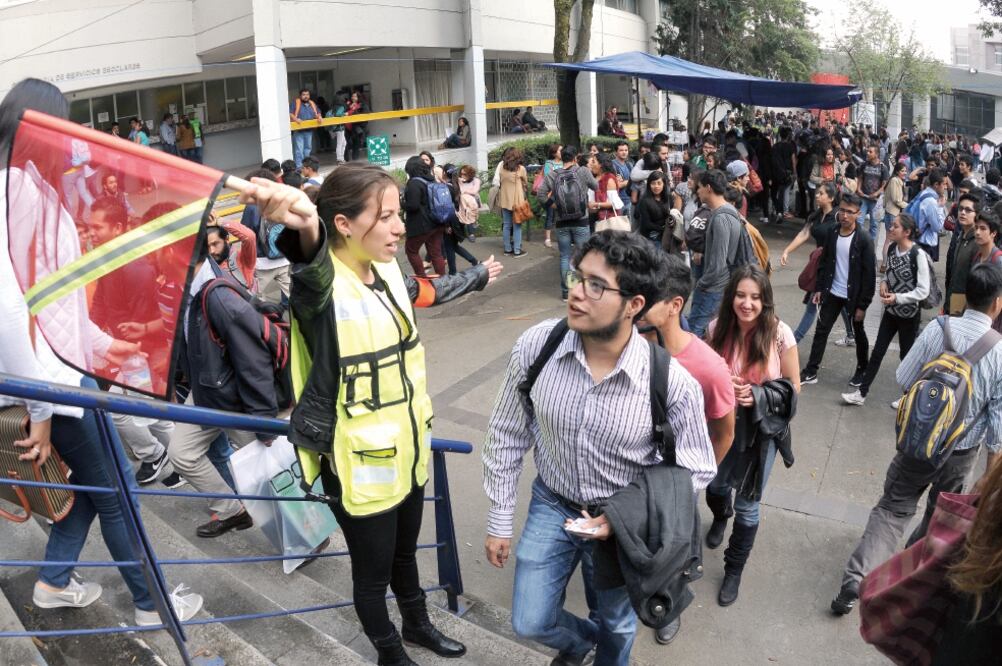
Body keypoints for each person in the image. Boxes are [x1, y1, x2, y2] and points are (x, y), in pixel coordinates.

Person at [245, 164, 501, 665]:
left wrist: (475, 278)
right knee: (372, 573)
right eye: (384, 217)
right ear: (343, 224)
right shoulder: (319, 290)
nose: (400, 227)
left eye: (399, 214)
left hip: (407, 452)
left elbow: (423, 292)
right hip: (357, 466)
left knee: (406, 556)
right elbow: (311, 262)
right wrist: (304, 226)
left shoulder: (384, 269)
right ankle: (388, 650)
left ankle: (417, 625)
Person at [0, 77, 202, 627]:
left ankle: (53, 582)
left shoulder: (28, 187)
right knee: (117, 494)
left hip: (61, 374)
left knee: (94, 492)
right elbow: (12, 312)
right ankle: (151, 606)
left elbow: (50, 300)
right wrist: (40, 409)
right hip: (52, 384)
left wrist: (105, 343)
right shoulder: (16, 190)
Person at [483, 232, 716, 666]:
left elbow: (697, 467)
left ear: (634, 305)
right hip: (553, 503)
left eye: (596, 286)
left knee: (619, 621)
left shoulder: (669, 382)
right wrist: (499, 519)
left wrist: (626, 516)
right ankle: (582, 646)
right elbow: (507, 432)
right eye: (578, 277)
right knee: (530, 621)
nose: (576, 293)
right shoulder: (538, 346)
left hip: (622, 525)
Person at [832, 263, 1002, 616]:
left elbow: (903, 376)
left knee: (893, 508)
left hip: (917, 442)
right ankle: (902, 582)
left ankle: (856, 581)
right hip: (961, 453)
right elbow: (997, 431)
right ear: (997, 304)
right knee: (938, 518)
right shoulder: (1000, 352)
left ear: (965, 296)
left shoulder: (939, 329)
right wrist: (986, 480)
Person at [704, 265, 800, 605]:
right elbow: (701, 377)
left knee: (748, 505)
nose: (747, 304)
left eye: (755, 297)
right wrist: (720, 384)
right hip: (720, 426)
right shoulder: (716, 328)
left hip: (761, 434)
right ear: (731, 297)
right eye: (741, 295)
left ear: (765, 301)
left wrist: (757, 395)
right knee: (714, 487)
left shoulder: (779, 334)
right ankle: (719, 516)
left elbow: (793, 390)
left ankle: (734, 570)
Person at [86, 197, 181, 486]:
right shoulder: (110, 260)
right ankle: (176, 459)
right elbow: (102, 304)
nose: (91, 233)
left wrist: (123, 348)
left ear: (116, 228)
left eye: (97, 227)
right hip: (124, 350)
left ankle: (166, 457)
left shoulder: (135, 267)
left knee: (135, 412)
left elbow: (145, 320)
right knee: (147, 412)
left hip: (141, 354)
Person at [841, 213, 930, 406]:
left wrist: (898, 297)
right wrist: (883, 283)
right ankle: (861, 393)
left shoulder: (918, 255)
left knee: (906, 358)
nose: (890, 228)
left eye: (895, 226)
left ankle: (908, 397)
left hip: (909, 316)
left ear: (906, 232)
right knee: (877, 353)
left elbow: (923, 291)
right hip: (890, 314)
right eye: (891, 225)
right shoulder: (891, 250)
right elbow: (888, 274)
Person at [800, 192, 875, 386]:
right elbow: (824, 263)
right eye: (842, 210)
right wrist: (819, 289)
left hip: (854, 296)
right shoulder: (833, 232)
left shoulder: (864, 239)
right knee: (821, 330)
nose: (844, 215)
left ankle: (862, 371)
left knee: (859, 334)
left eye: (850, 212)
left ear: (859, 214)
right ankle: (811, 370)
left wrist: (863, 305)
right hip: (832, 292)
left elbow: (869, 276)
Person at [779, 182, 853, 344]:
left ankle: (792, 342)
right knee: (838, 302)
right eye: (817, 193)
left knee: (815, 304)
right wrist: (787, 250)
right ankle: (851, 334)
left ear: (831, 198)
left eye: (821, 193)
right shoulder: (816, 216)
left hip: (834, 266)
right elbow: (804, 233)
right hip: (820, 264)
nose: (817, 195)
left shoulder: (838, 217)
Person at [536, 146, 600, 301]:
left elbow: (540, 194)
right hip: (581, 220)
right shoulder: (582, 171)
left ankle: (566, 292)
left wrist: (554, 205)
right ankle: (583, 291)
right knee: (583, 255)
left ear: (562, 157)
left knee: (565, 256)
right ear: (575, 158)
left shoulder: (553, 174)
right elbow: (596, 186)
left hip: (561, 221)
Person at [687, 169, 743, 338]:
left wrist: (702, 284)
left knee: (697, 331)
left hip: (714, 288)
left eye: (700, 187)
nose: (697, 191)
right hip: (717, 286)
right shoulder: (726, 213)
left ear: (708, 188)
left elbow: (718, 264)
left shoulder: (720, 218)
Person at [945, 193, 981, 315]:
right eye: (960, 209)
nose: (963, 213)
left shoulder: (977, 243)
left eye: (968, 210)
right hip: (952, 301)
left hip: (964, 308)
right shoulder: (961, 236)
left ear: (977, 215)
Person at [497, 147, 529, 258]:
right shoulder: (521, 169)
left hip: (505, 200)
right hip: (517, 201)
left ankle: (507, 249)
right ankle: (517, 250)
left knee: (506, 225)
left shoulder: (501, 168)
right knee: (517, 226)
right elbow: (526, 182)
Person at [913, 168, 949, 262]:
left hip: (918, 239)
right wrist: (940, 207)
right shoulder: (931, 202)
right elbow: (937, 227)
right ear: (936, 185)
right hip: (925, 243)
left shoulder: (924, 193)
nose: (945, 187)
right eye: (944, 184)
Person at [636, 171, 676, 251]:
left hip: (666, 236)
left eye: (659, 183)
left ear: (664, 184)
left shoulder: (668, 197)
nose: (656, 186)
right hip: (651, 238)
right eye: (653, 183)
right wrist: (664, 229)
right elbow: (646, 224)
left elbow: (671, 213)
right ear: (649, 185)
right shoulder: (645, 201)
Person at [857, 145, 889, 245]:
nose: (868, 153)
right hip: (864, 198)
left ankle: (870, 243)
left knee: (874, 224)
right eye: (867, 151)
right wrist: (858, 188)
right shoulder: (864, 165)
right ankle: (859, 241)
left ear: (876, 154)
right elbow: (860, 178)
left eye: (870, 152)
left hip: (875, 200)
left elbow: (884, 184)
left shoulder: (883, 167)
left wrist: (876, 193)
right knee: (859, 221)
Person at [880, 162, 908, 272]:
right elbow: (897, 199)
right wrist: (909, 205)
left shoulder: (896, 180)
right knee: (891, 240)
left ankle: (884, 264)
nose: (904, 173)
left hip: (890, 212)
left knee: (889, 240)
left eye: (905, 170)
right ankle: (886, 264)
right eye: (902, 171)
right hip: (892, 213)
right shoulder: (895, 181)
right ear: (897, 171)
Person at [289, 88, 320, 168]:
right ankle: (299, 167)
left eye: (307, 94)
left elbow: (318, 112)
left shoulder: (312, 103)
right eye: (304, 95)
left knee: (307, 149)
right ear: (300, 96)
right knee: (299, 150)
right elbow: (290, 113)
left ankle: (306, 166)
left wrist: (319, 117)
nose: (306, 96)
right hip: (299, 131)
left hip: (309, 130)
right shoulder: (295, 103)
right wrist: (296, 119)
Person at [541, 143, 563, 248]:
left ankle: (562, 237)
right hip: (551, 194)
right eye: (560, 150)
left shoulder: (565, 162)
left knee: (561, 216)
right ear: (554, 153)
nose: (562, 152)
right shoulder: (549, 163)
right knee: (550, 216)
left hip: (563, 194)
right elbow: (548, 178)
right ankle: (547, 238)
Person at [325, 92, 348, 164]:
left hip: (334, 128)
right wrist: (345, 114)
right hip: (340, 128)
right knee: (340, 143)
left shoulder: (332, 107)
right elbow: (338, 114)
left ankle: (341, 158)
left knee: (344, 143)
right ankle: (339, 159)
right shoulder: (341, 107)